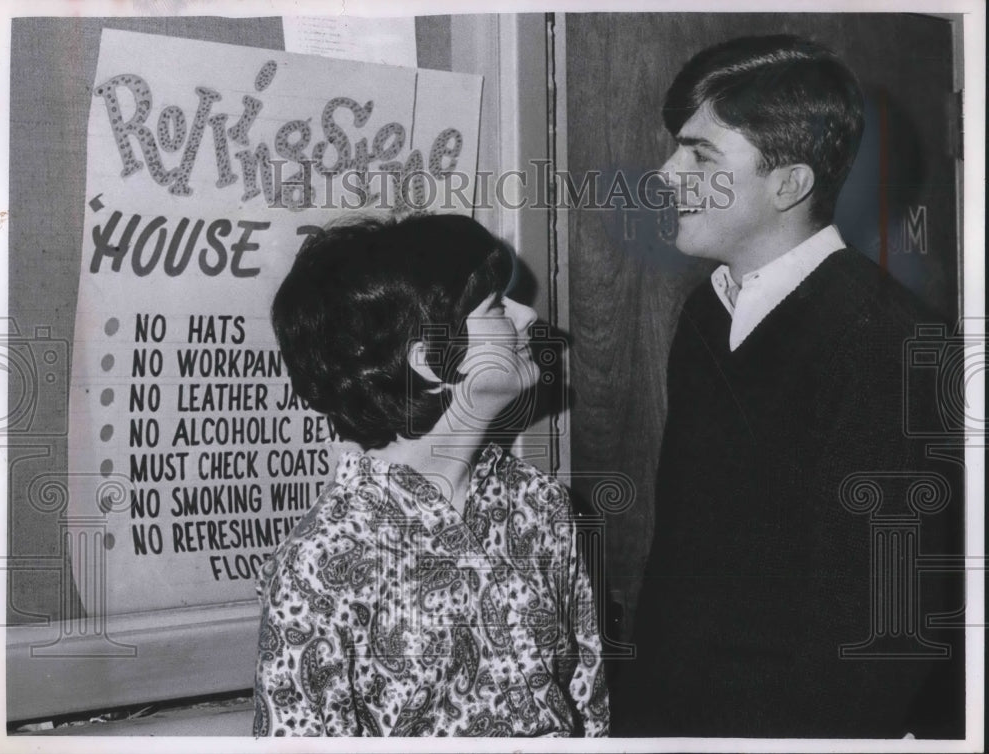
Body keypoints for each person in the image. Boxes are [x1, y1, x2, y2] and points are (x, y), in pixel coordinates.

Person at [611, 35, 963, 737]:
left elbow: (879, 634)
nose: (665, 173)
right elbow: (686, 558)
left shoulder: (888, 343)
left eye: (700, 155)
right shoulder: (708, 311)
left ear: (789, 183)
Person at [253, 213, 609, 737]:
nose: (529, 315)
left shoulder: (541, 505)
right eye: (495, 307)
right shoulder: (325, 559)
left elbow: (588, 701)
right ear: (430, 362)